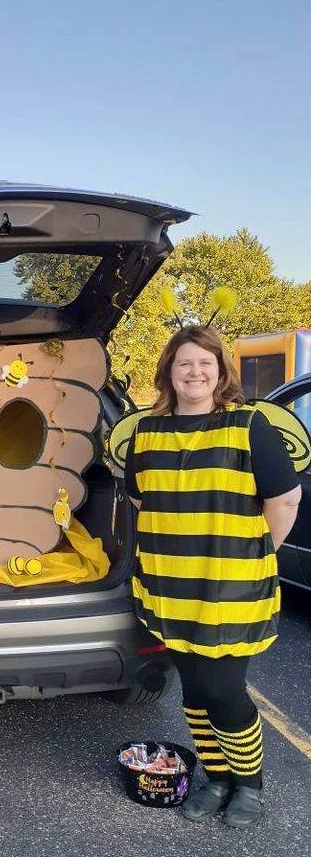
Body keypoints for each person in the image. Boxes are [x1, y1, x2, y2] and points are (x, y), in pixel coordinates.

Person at [124, 325, 301, 828]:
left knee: (225, 690)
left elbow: (285, 499)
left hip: (230, 588)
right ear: (169, 373)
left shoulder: (248, 426)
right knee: (196, 690)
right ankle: (217, 777)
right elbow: (141, 499)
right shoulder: (146, 431)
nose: (194, 372)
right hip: (168, 585)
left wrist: (254, 552)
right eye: (184, 363)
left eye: (205, 363)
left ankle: (250, 784)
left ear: (222, 371)